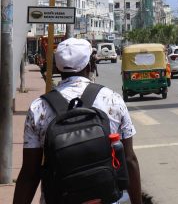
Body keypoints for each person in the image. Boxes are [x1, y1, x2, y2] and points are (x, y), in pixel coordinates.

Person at [13, 37, 142, 204]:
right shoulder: (112, 100)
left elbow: (30, 173)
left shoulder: (39, 108)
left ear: (58, 67)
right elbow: (129, 160)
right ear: (89, 66)